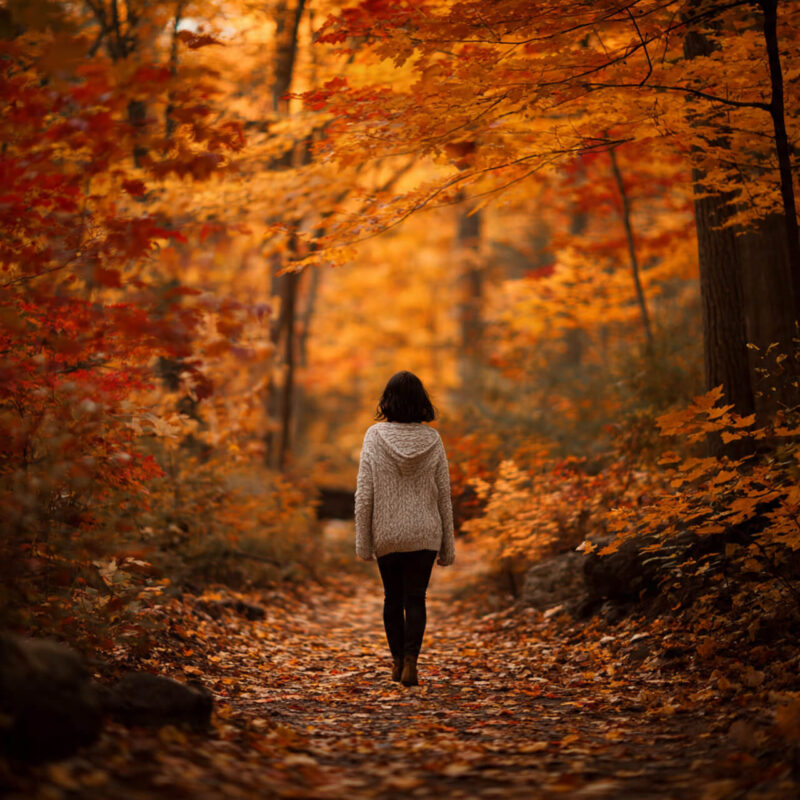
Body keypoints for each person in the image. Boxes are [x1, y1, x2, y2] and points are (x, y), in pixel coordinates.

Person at [354, 370, 455, 687]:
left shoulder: (374, 436)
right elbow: (444, 495)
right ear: (421, 402)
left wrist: (363, 541)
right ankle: (412, 661)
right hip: (425, 532)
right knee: (416, 599)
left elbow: (364, 494)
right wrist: (448, 547)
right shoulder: (433, 439)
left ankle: (397, 662)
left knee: (392, 600)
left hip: (388, 532)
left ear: (388, 401)